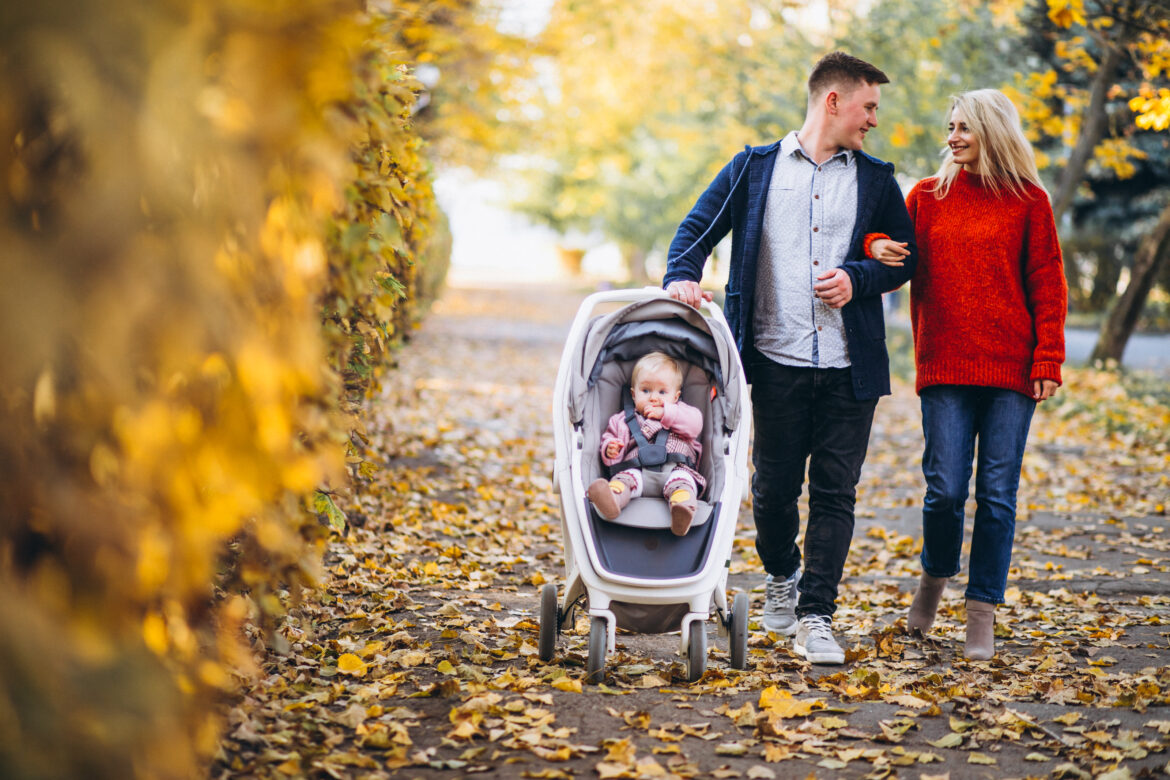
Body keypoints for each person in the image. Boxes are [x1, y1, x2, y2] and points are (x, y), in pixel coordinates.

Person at [664, 52, 917, 664]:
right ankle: (781, 575)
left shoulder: (878, 180)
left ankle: (817, 616)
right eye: (868, 107)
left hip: (848, 366)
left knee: (835, 491)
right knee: (773, 488)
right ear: (833, 102)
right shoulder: (754, 169)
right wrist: (681, 278)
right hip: (772, 362)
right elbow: (695, 231)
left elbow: (906, 259)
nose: (873, 121)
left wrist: (858, 277)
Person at [865, 88, 1067, 660]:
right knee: (945, 490)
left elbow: (1047, 283)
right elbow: (887, 243)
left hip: (1012, 368)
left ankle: (982, 612)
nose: (952, 137)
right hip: (946, 364)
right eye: (950, 127)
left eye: (963, 128)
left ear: (992, 133)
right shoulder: (927, 197)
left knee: (998, 495)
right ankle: (934, 579)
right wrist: (877, 245)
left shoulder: (1030, 201)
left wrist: (1047, 356)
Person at [587, 351, 706, 536]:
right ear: (633, 395)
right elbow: (610, 441)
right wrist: (611, 449)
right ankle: (613, 499)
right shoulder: (622, 420)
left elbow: (695, 425)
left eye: (662, 392)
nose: (653, 398)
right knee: (623, 479)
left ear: (676, 396)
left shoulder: (682, 413)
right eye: (646, 391)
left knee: (684, 483)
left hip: (677, 469)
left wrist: (666, 413)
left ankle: (681, 509)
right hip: (637, 472)